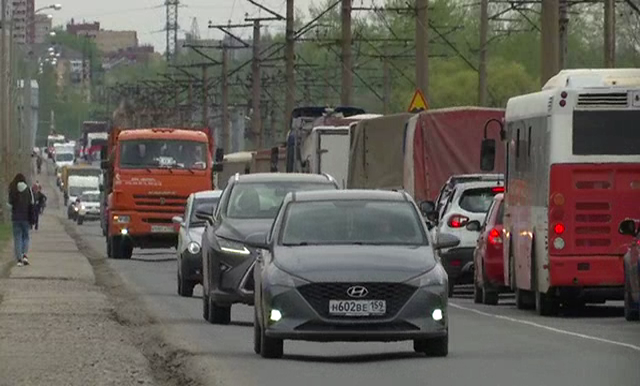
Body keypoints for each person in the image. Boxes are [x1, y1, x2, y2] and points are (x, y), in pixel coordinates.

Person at [8, 173, 34, 266]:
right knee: (26, 237)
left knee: (17, 238)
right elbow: (32, 204)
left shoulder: (13, 189)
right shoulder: (28, 190)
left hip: (15, 218)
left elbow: (9, 204)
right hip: (26, 218)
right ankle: (24, 255)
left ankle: (19, 259)